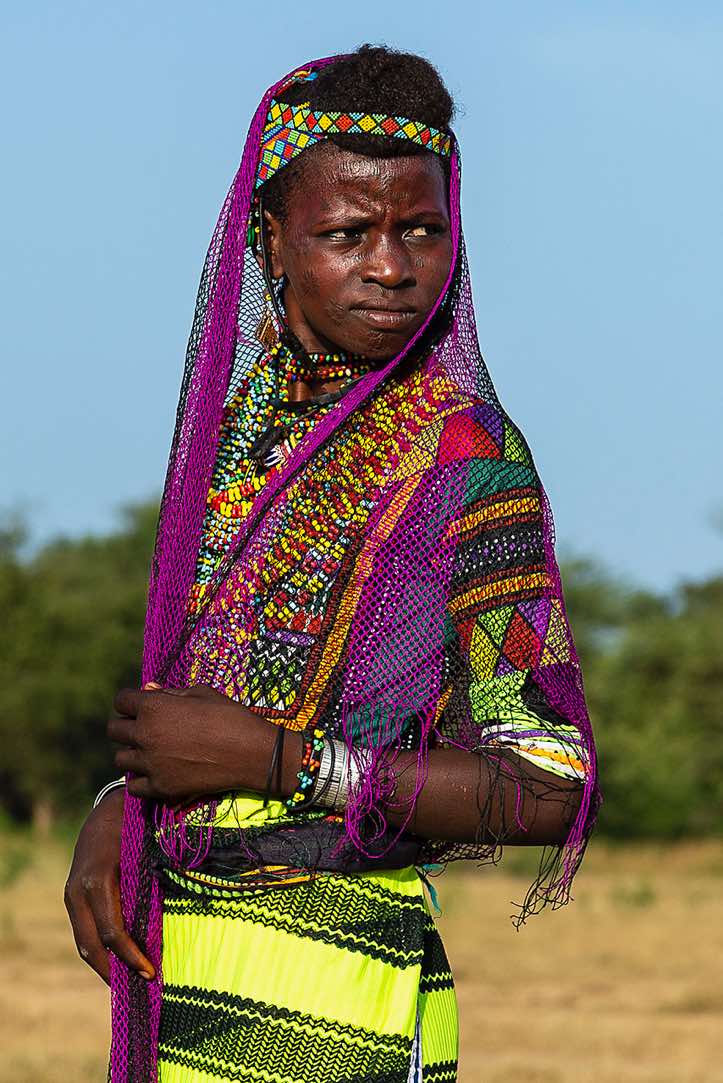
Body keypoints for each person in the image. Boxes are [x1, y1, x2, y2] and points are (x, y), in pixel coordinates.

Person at [65, 46, 600, 1083]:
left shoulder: (467, 459)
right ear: (271, 242)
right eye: (348, 234)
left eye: (422, 230)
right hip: (184, 975)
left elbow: (547, 790)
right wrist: (120, 801)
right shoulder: (235, 443)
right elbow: (204, 717)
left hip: (345, 994)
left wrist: (282, 763)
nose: (394, 268)